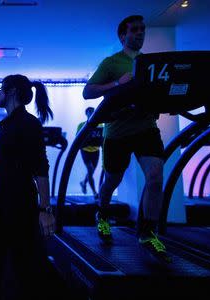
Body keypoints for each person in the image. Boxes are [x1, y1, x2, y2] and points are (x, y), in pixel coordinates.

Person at [83, 15, 171, 263]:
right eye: (135, 30)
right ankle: (102, 213)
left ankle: (147, 232)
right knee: (111, 181)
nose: (140, 33)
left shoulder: (149, 63)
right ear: (123, 35)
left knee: (155, 176)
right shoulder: (112, 62)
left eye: (142, 29)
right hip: (118, 133)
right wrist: (116, 83)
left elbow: (158, 93)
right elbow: (88, 92)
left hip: (146, 129)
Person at [0, 74, 56, 299]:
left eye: (2, 88)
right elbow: (7, 165)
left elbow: (40, 168)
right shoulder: (7, 125)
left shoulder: (29, 124)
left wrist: (45, 210)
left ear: (13, 92)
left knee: (23, 261)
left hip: (20, 202)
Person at [76, 107, 102, 199]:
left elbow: (102, 138)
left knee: (91, 172)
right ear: (86, 113)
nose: (91, 113)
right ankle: (95, 192)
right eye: (89, 111)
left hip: (96, 150)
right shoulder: (81, 125)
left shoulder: (100, 125)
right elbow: (77, 138)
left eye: (92, 111)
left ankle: (83, 183)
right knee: (90, 170)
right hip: (85, 150)